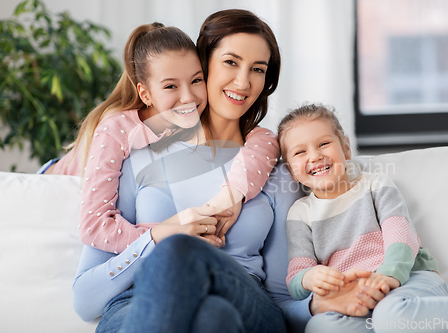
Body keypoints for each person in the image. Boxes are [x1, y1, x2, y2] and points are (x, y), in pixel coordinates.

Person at [73, 9, 289, 333]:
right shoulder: (136, 157)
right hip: (138, 303)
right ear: (205, 63)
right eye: (231, 62)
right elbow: (85, 299)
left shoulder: (272, 166)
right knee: (211, 316)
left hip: (244, 297)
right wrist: (158, 238)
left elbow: (283, 299)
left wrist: (324, 306)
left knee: (202, 284)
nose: (243, 81)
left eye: (257, 69)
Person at [39, 22, 280, 254]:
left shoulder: (191, 116)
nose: (188, 97)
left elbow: (266, 141)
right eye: (170, 87)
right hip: (52, 183)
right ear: (145, 94)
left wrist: (232, 194)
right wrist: (166, 235)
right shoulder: (116, 130)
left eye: (196, 80)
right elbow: (93, 227)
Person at [277, 103, 448, 333]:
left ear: (345, 148)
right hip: (356, 299)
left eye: (324, 144)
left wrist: (388, 276)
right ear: (291, 170)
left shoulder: (375, 185)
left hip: (408, 280)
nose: (315, 156)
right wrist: (309, 278)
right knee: (320, 326)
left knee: (390, 317)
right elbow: (296, 278)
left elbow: (401, 239)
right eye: (300, 152)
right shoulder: (300, 213)